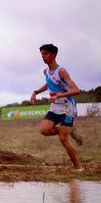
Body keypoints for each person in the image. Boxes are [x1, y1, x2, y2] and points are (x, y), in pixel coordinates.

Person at [30, 43, 83, 171]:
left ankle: (78, 167)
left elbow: (76, 90)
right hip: (55, 106)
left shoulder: (62, 71)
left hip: (67, 108)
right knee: (44, 130)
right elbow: (49, 83)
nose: (43, 56)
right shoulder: (46, 71)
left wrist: (59, 95)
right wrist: (36, 92)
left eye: (46, 54)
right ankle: (69, 130)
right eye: (42, 54)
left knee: (63, 138)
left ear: (53, 55)